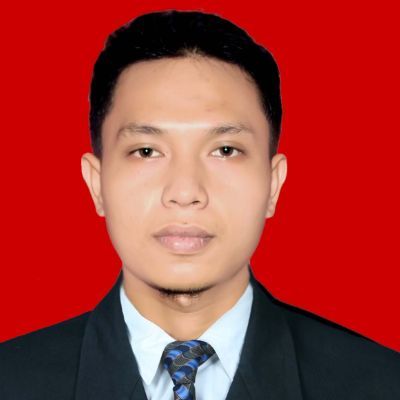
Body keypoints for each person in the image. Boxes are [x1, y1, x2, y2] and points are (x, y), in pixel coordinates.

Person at [0, 9, 399, 400]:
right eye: (146, 151)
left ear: (273, 184)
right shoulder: (11, 380)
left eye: (225, 150)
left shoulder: (381, 384)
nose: (185, 191)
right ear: (96, 184)